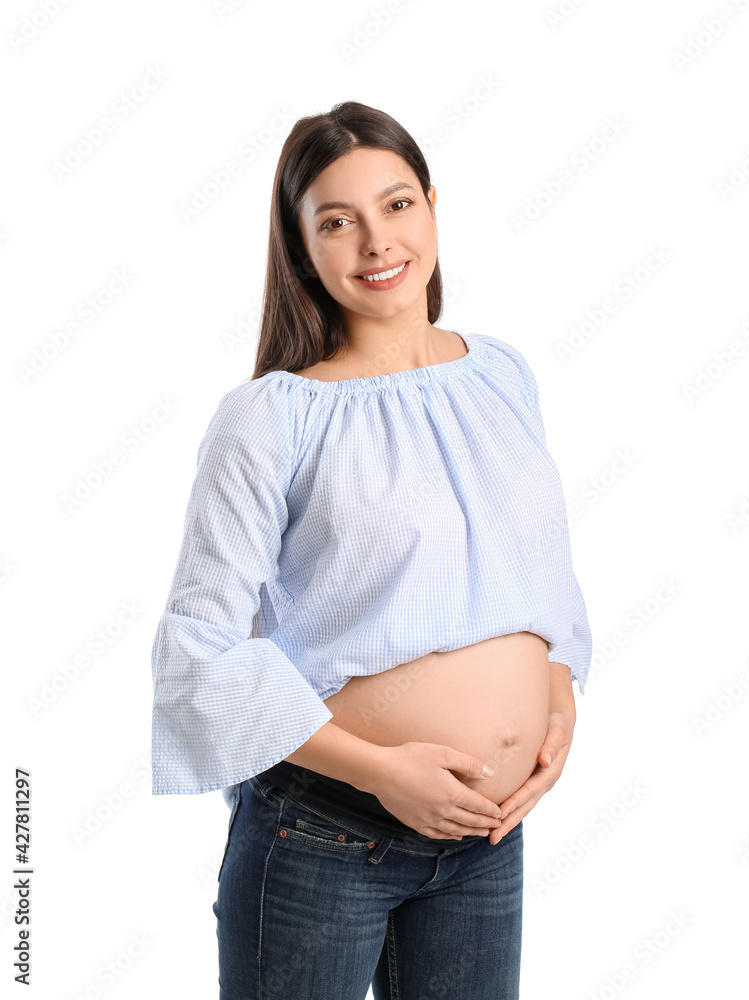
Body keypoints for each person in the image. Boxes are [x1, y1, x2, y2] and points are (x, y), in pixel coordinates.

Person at [150, 100, 592, 999]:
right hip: (324, 838)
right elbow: (199, 648)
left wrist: (554, 700)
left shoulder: (501, 371)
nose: (376, 244)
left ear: (432, 205)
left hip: (485, 841)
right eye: (337, 222)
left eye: (396, 206)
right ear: (301, 246)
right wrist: (388, 773)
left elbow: (535, 568)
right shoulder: (272, 417)